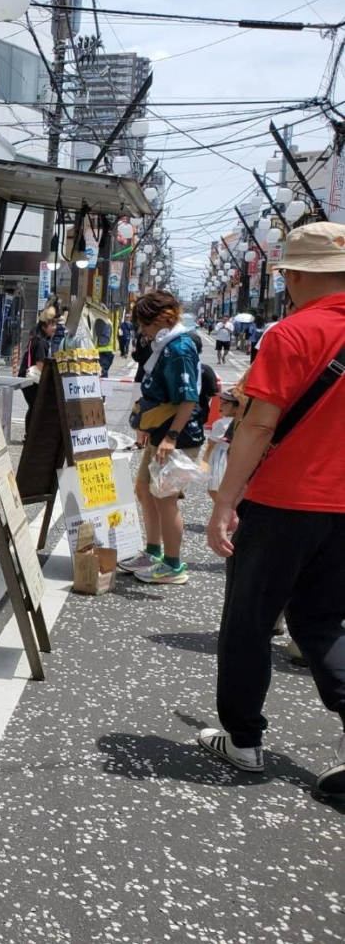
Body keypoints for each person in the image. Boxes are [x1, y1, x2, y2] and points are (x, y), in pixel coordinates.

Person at [200, 222, 345, 805]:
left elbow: (259, 424)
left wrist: (225, 501)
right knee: (322, 624)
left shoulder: (292, 333)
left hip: (284, 501)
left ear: (298, 274)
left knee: (250, 620)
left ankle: (243, 739)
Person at [117, 290, 206, 585]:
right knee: (144, 489)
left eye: (146, 324)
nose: (143, 331)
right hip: (161, 433)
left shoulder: (178, 348)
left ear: (162, 319)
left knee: (166, 499)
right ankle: (153, 552)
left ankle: (173, 565)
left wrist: (170, 436)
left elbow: (189, 399)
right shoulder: (164, 344)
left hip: (177, 437)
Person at [18, 307, 58, 437]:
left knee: (34, 406)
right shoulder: (41, 341)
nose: (55, 327)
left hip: (26, 378)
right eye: (52, 324)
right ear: (44, 326)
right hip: (30, 379)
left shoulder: (37, 337)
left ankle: (31, 434)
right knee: (36, 406)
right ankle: (30, 434)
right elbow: (40, 364)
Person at [200, 390, 240, 503]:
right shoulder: (240, 422)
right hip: (233, 458)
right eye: (221, 402)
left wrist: (203, 464)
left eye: (226, 403)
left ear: (237, 408)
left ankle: (223, 513)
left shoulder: (221, 424)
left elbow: (210, 446)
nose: (220, 405)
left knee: (214, 489)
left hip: (220, 459)